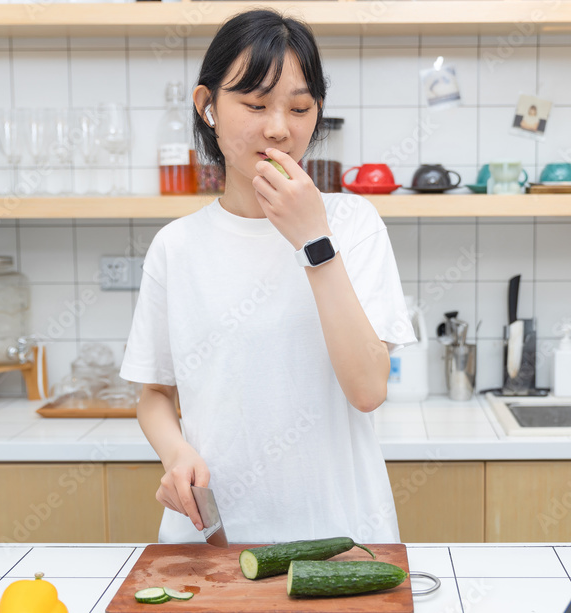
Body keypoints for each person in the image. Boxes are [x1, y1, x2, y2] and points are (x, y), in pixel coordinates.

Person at [119, 9, 417, 545]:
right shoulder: (176, 246)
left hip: (342, 538)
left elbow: (369, 388)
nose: (279, 127)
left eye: (299, 107)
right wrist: (176, 452)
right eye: (255, 104)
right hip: (211, 537)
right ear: (207, 106)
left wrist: (313, 240)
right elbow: (155, 393)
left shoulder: (354, 225)